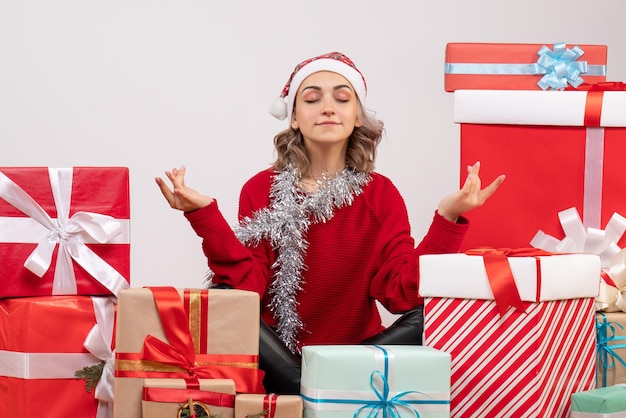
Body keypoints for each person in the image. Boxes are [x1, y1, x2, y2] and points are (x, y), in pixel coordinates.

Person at [156, 51, 505, 394]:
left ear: (356, 117)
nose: (327, 107)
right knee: (222, 297)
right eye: (311, 99)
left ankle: (320, 383)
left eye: (341, 98)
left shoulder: (381, 194)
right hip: (279, 360)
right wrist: (202, 216)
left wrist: (448, 216)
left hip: (356, 359)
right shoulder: (260, 188)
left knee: (434, 314)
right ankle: (308, 384)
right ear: (294, 117)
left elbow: (403, 293)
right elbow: (247, 288)